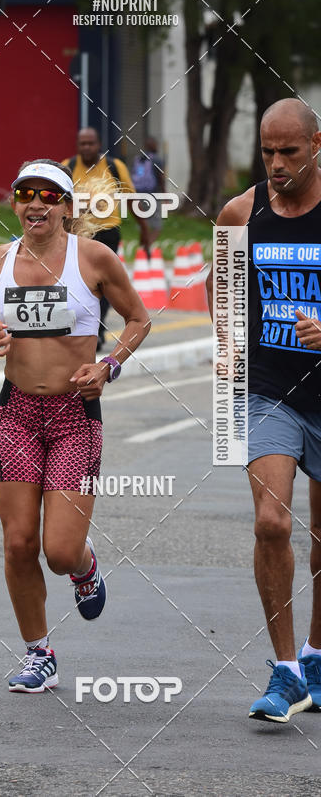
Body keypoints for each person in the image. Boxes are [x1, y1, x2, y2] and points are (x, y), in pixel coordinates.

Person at [0, 159, 150, 693]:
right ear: (15, 203)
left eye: (49, 196)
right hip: (17, 414)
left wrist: (108, 365)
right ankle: (38, 653)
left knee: (59, 552)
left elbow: (138, 319)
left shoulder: (94, 258)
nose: (36, 204)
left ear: (68, 208)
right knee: (18, 543)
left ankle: (84, 566)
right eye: (26, 193)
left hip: (76, 417)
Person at [206, 98, 321, 723]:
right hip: (268, 393)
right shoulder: (241, 212)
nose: (276, 165)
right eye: (267, 153)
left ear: (317, 143)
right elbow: (218, 284)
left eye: (289, 153)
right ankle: (285, 673)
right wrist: (227, 342)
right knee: (272, 523)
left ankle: (317, 655)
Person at [63, 127, 151, 350]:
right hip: (76, 235)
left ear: (99, 145)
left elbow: (131, 200)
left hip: (107, 233)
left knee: (103, 286)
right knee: (78, 284)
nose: (86, 148)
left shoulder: (114, 167)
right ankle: (73, 329)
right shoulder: (68, 167)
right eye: (82, 144)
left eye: (90, 143)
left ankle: (97, 331)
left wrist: (144, 229)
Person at [131, 137, 166, 250]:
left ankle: (141, 247)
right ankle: (147, 247)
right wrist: (165, 194)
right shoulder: (157, 159)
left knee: (143, 225)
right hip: (152, 195)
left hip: (138, 195)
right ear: (153, 145)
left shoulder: (138, 159)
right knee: (157, 226)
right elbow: (161, 178)